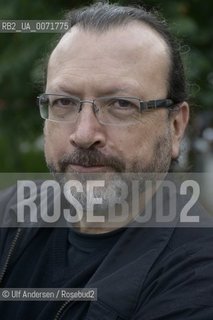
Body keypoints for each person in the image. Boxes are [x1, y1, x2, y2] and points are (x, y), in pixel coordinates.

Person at [0, 2, 213, 319]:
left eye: (121, 104)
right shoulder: (12, 211)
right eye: (63, 102)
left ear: (176, 126)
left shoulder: (196, 277)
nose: (84, 134)